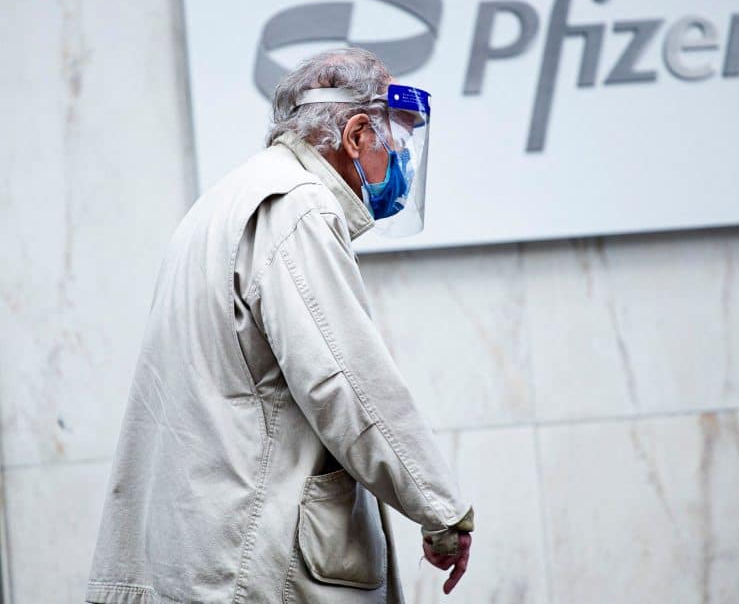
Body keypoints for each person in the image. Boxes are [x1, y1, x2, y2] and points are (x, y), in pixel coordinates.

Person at [85, 48, 474, 604]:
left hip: (207, 553)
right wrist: (441, 509)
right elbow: (346, 382)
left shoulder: (225, 201)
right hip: (257, 560)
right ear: (356, 134)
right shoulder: (298, 206)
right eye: (398, 142)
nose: (404, 164)